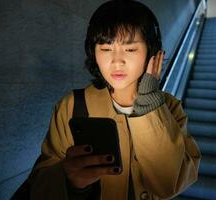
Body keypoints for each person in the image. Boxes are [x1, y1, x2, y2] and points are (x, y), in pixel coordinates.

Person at [28, 0, 201, 199]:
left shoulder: (170, 107)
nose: (117, 60)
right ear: (94, 52)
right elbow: (40, 182)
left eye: (130, 49)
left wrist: (148, 103)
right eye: (106, 49)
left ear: (152, 54)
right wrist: (69, 179)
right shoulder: (72, 105)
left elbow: (170, 184)